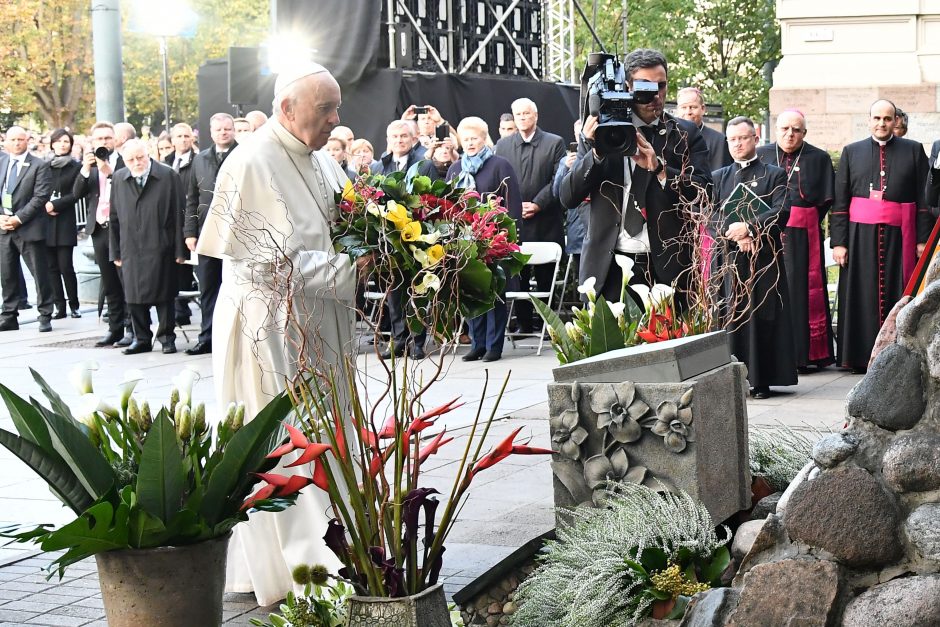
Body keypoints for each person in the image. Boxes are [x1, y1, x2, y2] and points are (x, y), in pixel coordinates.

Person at [197, 61, 358, 607]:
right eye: (326, 109)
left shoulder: (321, 159)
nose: (337, 120)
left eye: (336, 107)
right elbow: (269, 261)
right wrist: (364, 270)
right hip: (271, 326)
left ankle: (335, 548)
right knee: (287, 437)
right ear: (288, 109)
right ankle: (304, 568)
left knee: (326, 430)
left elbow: (344, 228)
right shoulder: (251, 161)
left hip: (319, 317)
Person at [560, 49, 711, 306]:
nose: (655, 96)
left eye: (661, 86)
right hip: (608, 269)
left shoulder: (685, 134)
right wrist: (595, 152)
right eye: (645, 87)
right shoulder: (601, 132)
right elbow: (567, 197)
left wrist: (660, 168)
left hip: (667, 268)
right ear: (627, 87)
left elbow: (705, 194)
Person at [831, 99, 932, 373]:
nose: (882, 123)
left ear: (895, 121)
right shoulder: (852, 151)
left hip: (901, 237)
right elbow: (840, 203)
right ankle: (859, 357)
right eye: (877, 118)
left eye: (887, 119)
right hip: (859, 236)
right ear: (869, 120)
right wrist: (839, 242)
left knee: (898, 291)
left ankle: (896, 356)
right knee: (860, 293)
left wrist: (922, 239)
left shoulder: (913, 151)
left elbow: (924, 199)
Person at [712, 117, 796, 398]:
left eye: (743, 138)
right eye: (732, 139)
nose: (737, 144)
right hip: (729, 259)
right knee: (730, 316)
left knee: (761, 315)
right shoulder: (719, 176)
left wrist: (750, 227)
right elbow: (712, 216)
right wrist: (736, 233)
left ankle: (761, 380)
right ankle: (730, 378)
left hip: (763, 261)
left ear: (755, 138)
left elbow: (782, 209)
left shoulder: (774, 174)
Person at [756, 110, 836, 372]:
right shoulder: (762, 155)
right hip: (766, 234)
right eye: (785, 129)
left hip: (804, 236)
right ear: (776, 129)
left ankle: (805, 355)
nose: (790, 134)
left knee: (801, 292)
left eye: (797, 130)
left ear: (804, 133)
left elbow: (824, 202)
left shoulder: (819, 158)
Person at [447, 116, 522, 362]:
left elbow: (513, 206)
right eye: (465, 139)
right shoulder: (456, 168)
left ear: (484, 138)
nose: (469, 143)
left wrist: (505, 238)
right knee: (471, 292)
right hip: (465, 242)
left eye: (474, 138)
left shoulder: (500, 165)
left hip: (493, 240)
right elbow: (448, 204)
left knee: (494, 293)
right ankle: (477, 343)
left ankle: (494, 345)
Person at [495, 97, 566, 333]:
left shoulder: (554, 142)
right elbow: (500, 181)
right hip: (515, 221)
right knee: (518, 275)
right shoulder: (503, 146)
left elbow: (557, 179)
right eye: (518, 115)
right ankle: (523, 323)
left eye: (527, 114)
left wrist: (537, 204)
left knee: (546, 276)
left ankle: (549, 325)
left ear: (535, 116)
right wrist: (514, 205)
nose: (523, 118)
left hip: (545, 220)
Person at [109, 139, 186, 355]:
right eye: (131, 159)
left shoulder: (167, 175)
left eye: (140, 157)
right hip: (130, 247)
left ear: (148, 154)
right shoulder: (119, 178)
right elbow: (113, 217)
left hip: (161, 245)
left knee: (164, 295)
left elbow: (180, 212)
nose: (136, 162)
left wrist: (181, 249)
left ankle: (166, 338)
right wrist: (114, 250)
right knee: (133, 297)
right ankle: (141, 338)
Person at [371, 120, 440, 359]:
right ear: (388, 140)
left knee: (417, 291)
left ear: (413, 139)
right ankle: (399, 340)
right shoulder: (380, 167)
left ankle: (417, 342)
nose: (399, 140)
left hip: (416, 237)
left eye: (403, 136)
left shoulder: (424, 165)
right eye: (394, 137)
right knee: (395, 292)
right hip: (390, 239)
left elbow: (430, 199)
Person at [182, 112, 238, 356]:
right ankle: (207, 337)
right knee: (208, 287)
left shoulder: (244, 155)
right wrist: (190, 232)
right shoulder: (200, 159)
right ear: (211, 132)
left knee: (234, 288)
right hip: (207, 233)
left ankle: (234, 340)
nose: (223, 133)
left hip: (236, 233)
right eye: (218, 130)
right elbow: (192, 198)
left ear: (233, 130)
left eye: (227, 129)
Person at [74, 121, 132, 346]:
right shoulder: (89, 164)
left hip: (120, 229)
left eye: (108, 138)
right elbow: (77, 193)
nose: (104, 143)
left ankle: (131, 328)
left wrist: (110, 172)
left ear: (115, 139)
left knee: (125, 280)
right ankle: (114, 328)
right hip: (99, 229)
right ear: (92, 141)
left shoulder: (124, 160)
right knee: (108, 282)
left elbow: (128, 190)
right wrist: (86, 169)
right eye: (99, 139)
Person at [0, 126, 54, 332]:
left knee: (39, 273)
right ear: (6, 141)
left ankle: (45, 314)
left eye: (20, 140)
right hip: (5, 228)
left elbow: (41, 197)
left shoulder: (39, 165)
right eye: (12, 140)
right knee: (7, 274)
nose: (16, 143)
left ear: (27, 140)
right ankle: (9, 314)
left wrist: (18, 219)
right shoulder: (2, 162)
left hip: (29, 227)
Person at [44, 128, 83, 319]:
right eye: (58, 141)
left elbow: (76, 193)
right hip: (46, 221)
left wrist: (56, 204)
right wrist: (45, 206)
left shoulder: (76, 167)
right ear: (52, 143)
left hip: (65, 219)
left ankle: (74, 304)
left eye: (66, 141)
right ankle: (59, 306)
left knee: (66, 266)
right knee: (51, 267)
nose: (62, 144)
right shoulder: (45, 166)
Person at [166, 123, 198, 327]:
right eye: (179, 136)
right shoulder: (165, 162)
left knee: (185, 264)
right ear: (172, 140)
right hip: (169, 220)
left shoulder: (198, 161)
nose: (183, 139)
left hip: (188, 217)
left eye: (187, 136)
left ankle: (183, 309)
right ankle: (175, 308)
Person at [675, 86, 732, 172]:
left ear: (703, 109)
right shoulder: (670, 137)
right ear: (678, 110)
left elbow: (721, 177)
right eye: (683, 107)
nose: (688, 112)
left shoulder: (719, 141)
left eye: (693, 107)